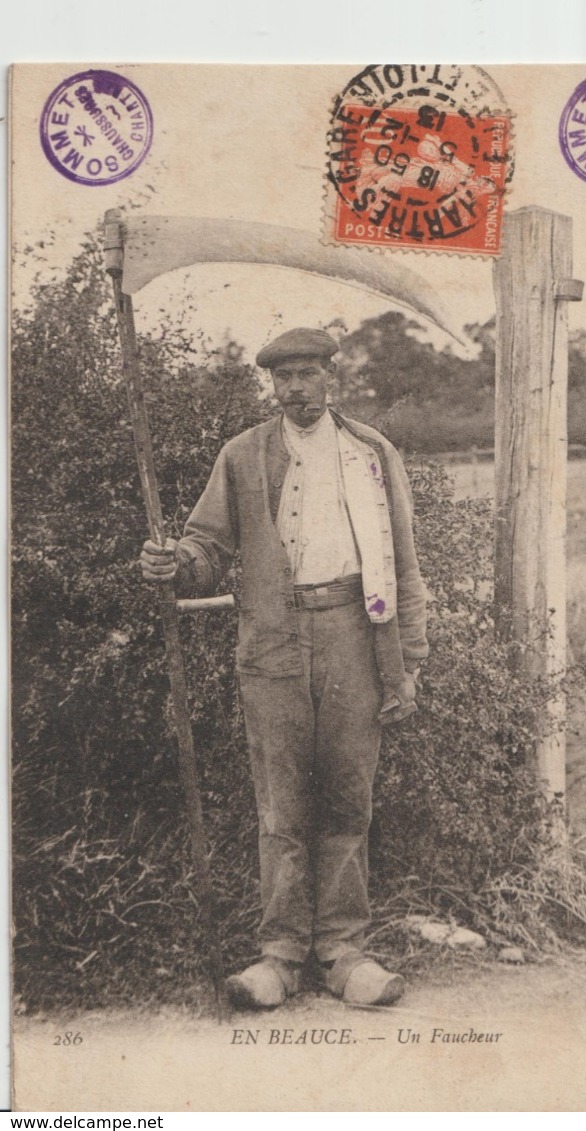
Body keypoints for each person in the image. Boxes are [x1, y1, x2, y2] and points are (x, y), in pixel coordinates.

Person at [140, 327, 428, 1009]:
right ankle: (279, 955)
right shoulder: (242, 456)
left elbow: (406, 561)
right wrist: (174, 562)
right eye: (282, 378)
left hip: (356, 636)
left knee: (346, 796)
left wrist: (407, 659)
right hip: (272, 641)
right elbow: (207, 545)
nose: (294, 387)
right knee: (281, 804)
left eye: (306, 373)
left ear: (331, 375)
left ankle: (342, 953)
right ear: (270, 385)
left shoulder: (370, 452)